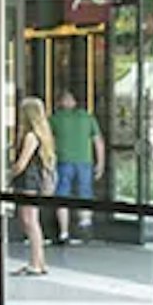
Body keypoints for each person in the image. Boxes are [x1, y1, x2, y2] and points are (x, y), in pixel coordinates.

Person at [7, 96, 57, 276]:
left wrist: (8, 175)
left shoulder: (30, 136)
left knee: (29, 221)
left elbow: (22, 163)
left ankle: (35, 263)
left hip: (28, 181)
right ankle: (39, 262)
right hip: (33, 181)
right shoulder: (43, 134)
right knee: (31, 221)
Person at [47, 90, 100, 241]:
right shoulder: (88, 118)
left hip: (63, 161)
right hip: (85, 162)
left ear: (59, 103)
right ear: (74, 102)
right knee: (85, 193)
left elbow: (48, 141)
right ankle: (85, 225)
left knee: (62, 195)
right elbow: (98, 142)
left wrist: (49, 163)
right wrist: (100, 163)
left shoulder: (54, 119)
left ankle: (64, 232)